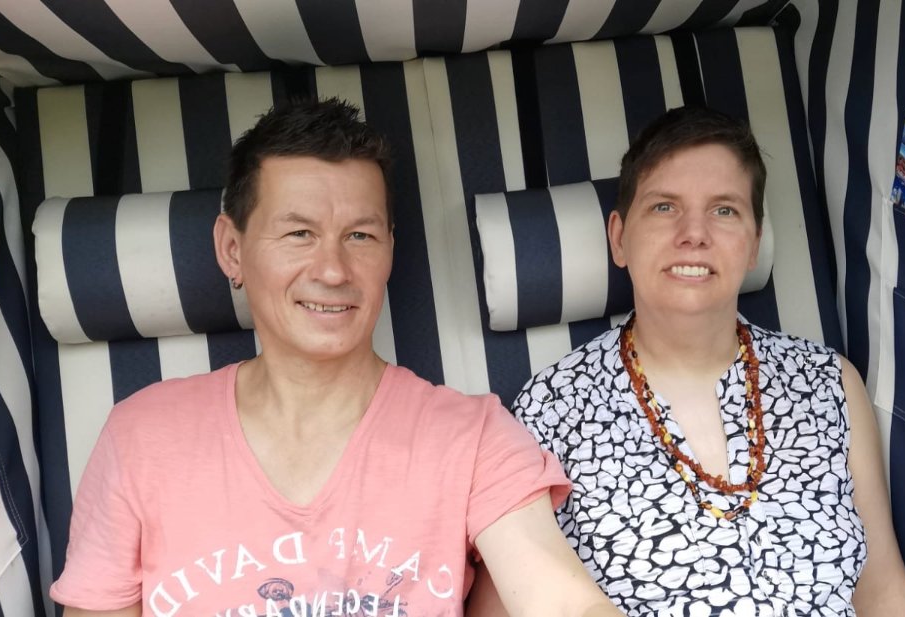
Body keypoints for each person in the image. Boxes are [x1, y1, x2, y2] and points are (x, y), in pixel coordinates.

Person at [50, 98, 621, 617]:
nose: (332, 270)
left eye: (360, 236)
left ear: (390, 248)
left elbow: (563, 601)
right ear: (232, 248)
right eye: (299, 233)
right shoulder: (141, 437)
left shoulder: (473, 438)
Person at [480, 106, 905, 616]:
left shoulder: (829, 385)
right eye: (664, 207)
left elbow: (883, 590)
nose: (694, 233)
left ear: (754, 243)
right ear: (619, 237)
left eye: (724, 210)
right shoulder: (552, 409)